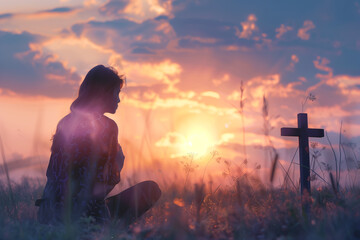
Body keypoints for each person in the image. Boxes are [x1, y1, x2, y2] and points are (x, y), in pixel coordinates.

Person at [35, 65, 161, 225]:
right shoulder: (107, 126)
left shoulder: (64, 122)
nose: (118, 99)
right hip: (83, 218)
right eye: (117, 93)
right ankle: (112, 232)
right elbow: (100, 188)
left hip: (47, 214)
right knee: (150, 190)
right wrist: (118, 163)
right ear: (104, 93)